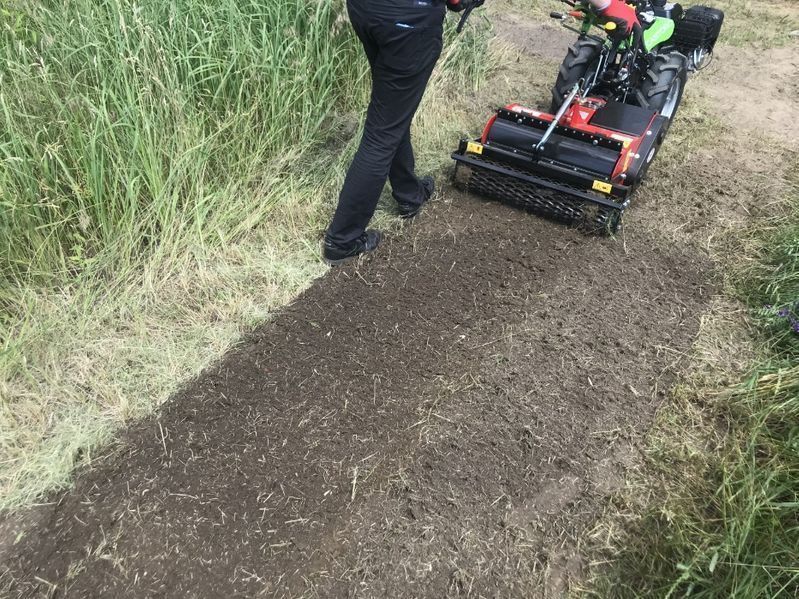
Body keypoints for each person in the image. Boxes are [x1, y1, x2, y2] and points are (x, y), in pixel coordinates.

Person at [322, 0, 639, 265]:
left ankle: (409, 194)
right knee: (382, 132)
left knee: (390, 112)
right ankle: (343, 240)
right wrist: (608, 5)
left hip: (366, 9)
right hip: (409, 20)